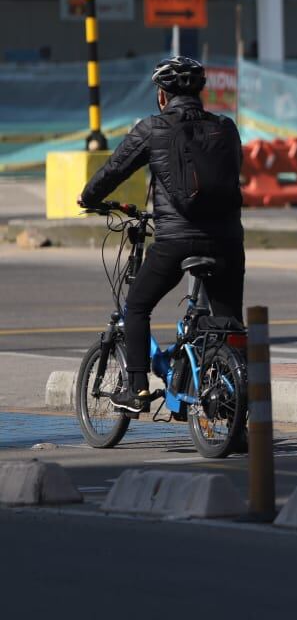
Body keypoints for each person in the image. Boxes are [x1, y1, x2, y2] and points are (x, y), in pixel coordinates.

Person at [78, 56, 245, 413]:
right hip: (229, 240)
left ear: (161, 95)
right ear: (201, 93)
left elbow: (114, 169)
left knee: (136, 306)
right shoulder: (226, 128)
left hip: (176, 239)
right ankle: (233, 409)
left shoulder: (153, 128)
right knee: (229, 322)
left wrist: (89, 198)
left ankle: (136, 390)